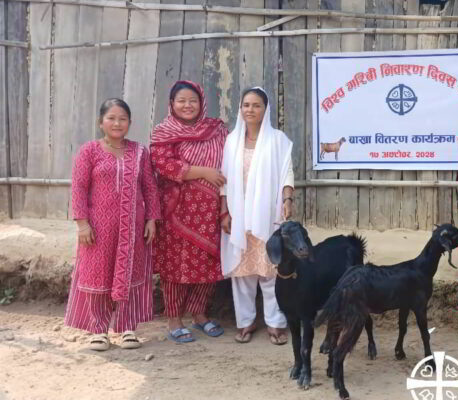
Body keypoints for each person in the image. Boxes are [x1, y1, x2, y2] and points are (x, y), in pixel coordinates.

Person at [65, 99, 161, 351]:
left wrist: (152, 218)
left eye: (123, 119)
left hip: (133, 228)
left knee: (131, 273)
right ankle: (99, 330)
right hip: (98, 229)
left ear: (130, 123)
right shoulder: (89, 151)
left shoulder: (140, 152)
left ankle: (128, 328)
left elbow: (150, 188)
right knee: (98, 275)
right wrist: (82, 224)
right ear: (101, 122)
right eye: (111, 118)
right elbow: (79, 189)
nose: (117, 123)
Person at [150, 81, 228, 343]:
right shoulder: (163, 132)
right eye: (181, 100)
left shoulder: (217, 129)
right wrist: (203, 172)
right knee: (176, 266)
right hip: (177, 211)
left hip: (210, 210)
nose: (187, 105)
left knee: (208, 263)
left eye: (192, 100)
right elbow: (163, 164)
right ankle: (174, 318)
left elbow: (230, 160)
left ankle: (199, 314)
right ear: (171, 104)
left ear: (202, 102)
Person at [220, 88, 294, 345]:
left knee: (270, 271)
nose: (250, 110)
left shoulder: (278, 140)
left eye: (256, 105)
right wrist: (224, 211)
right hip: (238, 215)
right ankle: (246, 322)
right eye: (246, 105)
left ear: (266, 109)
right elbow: (224, 180)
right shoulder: (231, 141)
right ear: (240, 109)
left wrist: (287, 200)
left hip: (267, 213)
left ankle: (275, 323)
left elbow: (287, 173)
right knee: (242, 273)